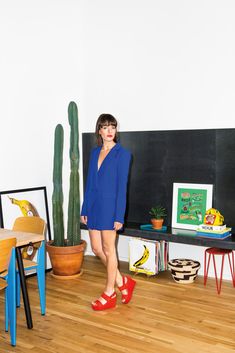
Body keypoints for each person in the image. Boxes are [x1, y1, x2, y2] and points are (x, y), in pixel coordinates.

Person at [80, 113, 136, 311]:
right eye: (105, 127)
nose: (110, 130)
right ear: (99, 131)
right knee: (96, 248)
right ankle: (123, 282)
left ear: (116, 130)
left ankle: (109, 292)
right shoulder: (95, 152)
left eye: (113, 126)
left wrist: (119, 216)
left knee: (109, 249)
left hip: (110, 208)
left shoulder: (123, 154)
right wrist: (84, 207)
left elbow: (122, 187)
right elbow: (89, 183)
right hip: (94, 206)